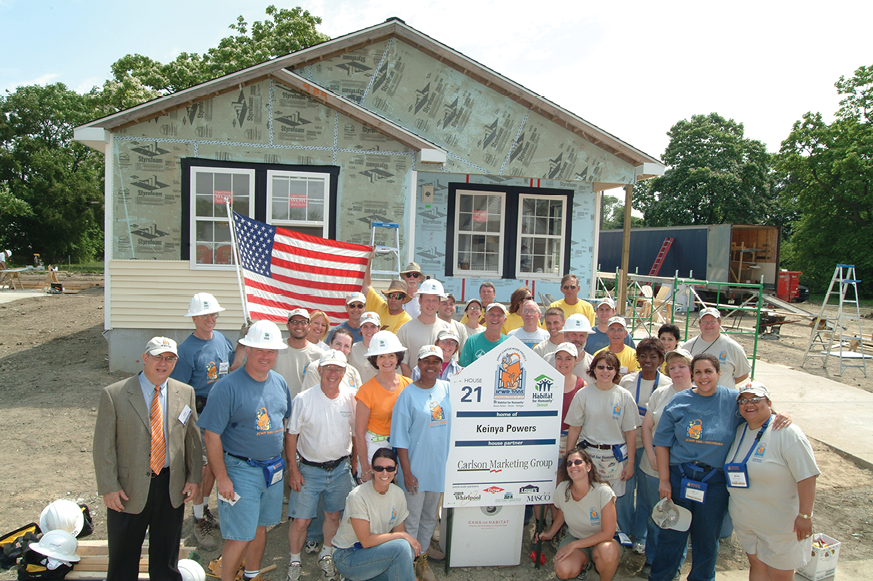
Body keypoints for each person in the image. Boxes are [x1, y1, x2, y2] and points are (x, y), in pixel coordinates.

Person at [649, 354, 792, 581]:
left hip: (714, 483)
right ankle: (661, 577)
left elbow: (759, 411)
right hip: (680, 477)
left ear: (718, 374)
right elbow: (662, 443)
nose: (703, 377)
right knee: (672, 535)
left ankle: (702, 578)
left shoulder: (734, 401)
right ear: (692, 375)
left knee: (706, 537)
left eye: (708, 372)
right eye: (698, 372)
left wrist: (780, 415)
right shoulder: (678, 402)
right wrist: (664, 481)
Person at [93, 337, 201, 581]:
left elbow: (193, 441)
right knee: (123, 558)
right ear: (145, 358)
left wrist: (193, 478)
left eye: (170, 358)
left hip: (170, 486)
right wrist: (109, 486)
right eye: (158, 357)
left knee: (166, 558)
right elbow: (103, 447)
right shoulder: (115, 394)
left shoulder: (185, 392)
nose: (163, 363)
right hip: (128, 490)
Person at [198, 321, 293, 581]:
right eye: (260, 350)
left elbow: (284, 424)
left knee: (260, 528)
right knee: (240, 536)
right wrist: (223, 477)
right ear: (248, 349)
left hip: (272, 470)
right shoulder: (227, 387)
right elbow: (211, 434)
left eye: (271, 351)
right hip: (241, 471)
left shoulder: (279, 383)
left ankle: (251, 575)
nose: (266, 356)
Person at [171, 292, 243, 550]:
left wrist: (244, 342)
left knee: (215, 465)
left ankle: (204, 510)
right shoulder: (187, 350)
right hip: (200, 413)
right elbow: (178, 389)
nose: (210, 319)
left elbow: (233, 367)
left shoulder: (222, 340)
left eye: (213, 314)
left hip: (222, 410)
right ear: (194, 318)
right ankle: (199, 518)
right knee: (202, 468)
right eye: (204, 315)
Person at [727, 382, 819, 581]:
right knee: (757, 566)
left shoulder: (787, 433)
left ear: (769, 403)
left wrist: (805, 515)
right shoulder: (740, 430)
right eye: (743, 400)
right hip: (747, 522)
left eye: (755, 399)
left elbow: (807, 476)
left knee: (779, 575)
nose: (749, 404)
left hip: (780, 526)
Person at [285, 350, 357, 581]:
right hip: (309, 470)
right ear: (320, 370)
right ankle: (294, 561)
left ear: (345, 372)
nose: (333, 373)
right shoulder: (303, 399)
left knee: (333, 516)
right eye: (328, 368)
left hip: (339, 469)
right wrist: (293, 470)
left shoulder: (351, 397)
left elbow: (356, 434)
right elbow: (291, 435)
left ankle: (326, 555)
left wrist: (355, 461)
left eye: (337, 369)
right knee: (302, 520)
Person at [390, 345, 452, 581]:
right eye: (426, 361)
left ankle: (422, 559)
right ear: (418, 364)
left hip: (438, 469)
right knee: (412, 519)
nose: (431, 366)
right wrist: (407, 472)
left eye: (436, 361)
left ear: (441, 365)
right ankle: (408, 563)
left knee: (429, 517)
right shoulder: (407, 394)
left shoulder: (447, 389)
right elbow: (400, 439)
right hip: (415, 469)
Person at [638, 349, 691, 577]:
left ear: (691, 368)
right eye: (673, 367)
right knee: (654, 515)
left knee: (677, 520)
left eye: (682, 366)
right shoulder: (660, 393)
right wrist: (650, 455)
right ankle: (651, 559)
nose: (677, 370)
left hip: (682, 471)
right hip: (652, 468)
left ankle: (672, 566)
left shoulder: (700, 394)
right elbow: (647, 426)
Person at [615, 338, 671, 556]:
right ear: (637, 358)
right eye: (644, 356)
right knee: (625, 494)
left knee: (648, 496)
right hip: (627, 443)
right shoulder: (627, 381)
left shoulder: (667, 385)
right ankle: (624, 533)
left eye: (653, 356)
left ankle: (642, 536)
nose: (648, 360)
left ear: (660, 359)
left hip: (652, 446)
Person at [331, 449, 419, 581]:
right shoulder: (358, 496)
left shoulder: (398, 493)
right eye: (379, 468)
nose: (384, 473)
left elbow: (399, 537)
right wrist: (402, 535)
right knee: (401, 548)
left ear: (396, 469)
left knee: (407, 549)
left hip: (375, 554)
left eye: (389, 468)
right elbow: (366, 541)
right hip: (348, 555)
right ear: (372, 469)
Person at [534, 448, 621, 581]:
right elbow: (563, 512)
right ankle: (584, 568)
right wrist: (551, 533)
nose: (573, 466)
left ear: (588, 466)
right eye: (569, 464)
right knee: (563, 570)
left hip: (603, 542)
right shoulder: (562, 489)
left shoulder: (603, 492)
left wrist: (573, 545)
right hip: (576, 536)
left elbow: (608, 533)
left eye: (578, 462)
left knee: (607, 552)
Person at [564, 351, 639, 496]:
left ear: (616, 371)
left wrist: (630, 464)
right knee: (588, 501)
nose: (605, 371)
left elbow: (630, 432)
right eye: (601, 367)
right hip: (588, 456)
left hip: (615, 459)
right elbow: (574, 429)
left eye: (610, 368)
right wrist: (569, 458)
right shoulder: (583, 394)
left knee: (613, 504)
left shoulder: (624, 396)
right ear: (593, 370)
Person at [355, 331, 412, 481]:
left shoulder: (408, 385)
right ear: (375, 360)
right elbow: (359, 433)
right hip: (375, 449)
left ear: (398, 357)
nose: (387, 360)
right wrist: (366, 469)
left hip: (402, 448)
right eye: (381, 356)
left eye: (391, 355)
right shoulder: (366, 391)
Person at [395, 279, 451, 376]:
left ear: (439, 303)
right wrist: (417, 386)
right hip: (413, 387)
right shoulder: (405, 329)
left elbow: (451, 363)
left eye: (434, 300)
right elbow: (402, 364)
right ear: (419, 300)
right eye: (427, 300)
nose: (430, 304)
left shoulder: (448, 330)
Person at [682, 307, 751, 385]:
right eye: (704, 322)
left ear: (720, 323)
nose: (708, 325)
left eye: (712, 321)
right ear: (699, 324)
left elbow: (743, 374)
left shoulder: (733, 347)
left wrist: (725, 386)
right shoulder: (687, 347)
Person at [273, 308, 324, 399]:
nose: (299, 326)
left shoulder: (319, 355)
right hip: (277, 405)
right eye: (294, 321)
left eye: (303, 322)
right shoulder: (276, 348)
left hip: (305, 408)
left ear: (309, 326)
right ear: (288, 325)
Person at [300, 328, 363, 393]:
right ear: (330, 344)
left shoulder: (353, 372)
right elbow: (311, 397)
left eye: (346, 346)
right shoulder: (315, 368)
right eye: (338, 344)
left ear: (350, 350)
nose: (341, 349)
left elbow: (359, 398)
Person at [361, 262, 413, 333]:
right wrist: (369, 259)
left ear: (404, 300)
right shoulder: (380, 306)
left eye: (398, 297)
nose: (393, 299)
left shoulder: (406, 320)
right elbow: (366, 286)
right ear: (387, 297)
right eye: (391, 295)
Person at [459, 302, 507, 367]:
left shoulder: (508, 343)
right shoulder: (472, 341)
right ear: (485, 317)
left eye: (499, 315)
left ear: (505, 320)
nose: (495, 318)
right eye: (492, 315)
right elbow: (463, 369)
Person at [349, 312, 381, 385]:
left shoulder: (385, 350)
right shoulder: (352, 349)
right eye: (365, 326)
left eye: (373, 326)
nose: (369, 330)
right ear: (360, 329)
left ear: (379, 329)